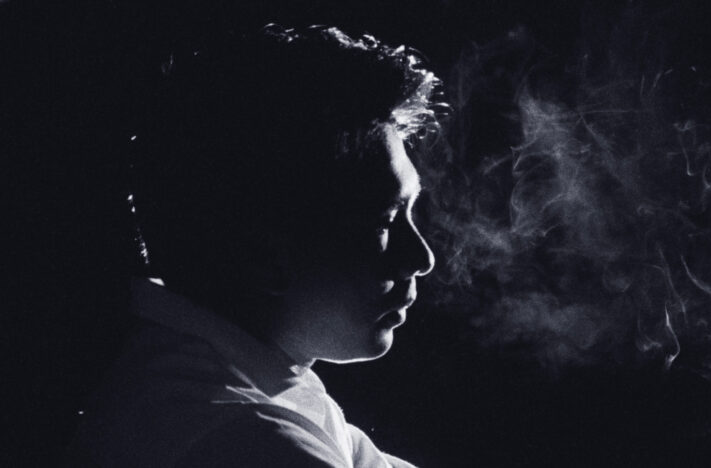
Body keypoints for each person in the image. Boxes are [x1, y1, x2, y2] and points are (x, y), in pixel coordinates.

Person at [67, 24, 445, 467]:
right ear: (264, 254)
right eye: (385, 222)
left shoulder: (243, 386)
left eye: (410, 212)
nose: (421, 258)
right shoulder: (248, 440)